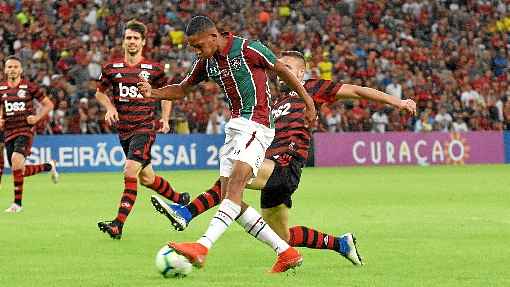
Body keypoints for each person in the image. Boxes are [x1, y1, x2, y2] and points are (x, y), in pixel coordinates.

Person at [150, 51, 416, 266]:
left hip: (286, 165)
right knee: (282, 237)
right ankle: (341, 244)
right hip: (270, 166)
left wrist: (398, 102)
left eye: (287, 66)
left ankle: (186, 213)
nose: (280, 71)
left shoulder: (312, 87)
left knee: (231, 182)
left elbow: (357, 91)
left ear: (301, 72)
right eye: (279, 67)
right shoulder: (273, 102)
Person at [138, 16, 316, 273]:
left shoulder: (248, 48)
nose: (197, 52)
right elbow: (183, 88)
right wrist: (153, 93)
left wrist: (308, 101)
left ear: (213, 36)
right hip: (235, 127)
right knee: (227, 197)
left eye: (199, 46)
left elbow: (282, 70)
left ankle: (202, 246)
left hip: (257, 124)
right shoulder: (206, 62)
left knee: (234, 189)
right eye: (193, 48)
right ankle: (285, 252)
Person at [95, 20, 190, 239]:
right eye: (128, 37)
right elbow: (99, 92)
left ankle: (118, 224)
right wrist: (109, 106)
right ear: (123, 41)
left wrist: (165, 119)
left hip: (145, 128)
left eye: (136, 38)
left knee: (130, 170)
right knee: (146, 178)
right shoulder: (112, 68)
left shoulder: (154, 69)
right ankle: (180, 200)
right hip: (124, 131)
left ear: (143, 42)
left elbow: (166, 94)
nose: (132, 41)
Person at [0, 55, 59, 213]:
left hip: (25, 130)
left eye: (15, 67)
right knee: (19, 169)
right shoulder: (1, 88)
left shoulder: (29, 87)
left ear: (21, 70)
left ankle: (17, 204)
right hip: (9, 132)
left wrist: (37, 117)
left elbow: (48, 104)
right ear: (5, 70)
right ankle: (49, 166)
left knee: (15, 160)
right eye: (9, 67)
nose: (12, 69)